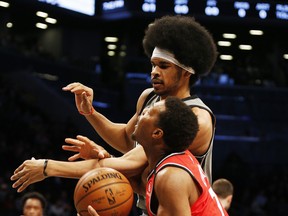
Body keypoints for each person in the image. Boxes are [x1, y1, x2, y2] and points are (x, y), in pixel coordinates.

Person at [11, 15, 217, 214]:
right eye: (153, 64)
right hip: (149, 204)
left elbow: (129, 163)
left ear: (186, 72)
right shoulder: (150, 98)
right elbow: (128, 139)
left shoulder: (195, 120)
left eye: (163, 66)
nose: (154, 72)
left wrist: (48, 167)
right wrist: (90, 113)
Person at [81, 97, 228, 215]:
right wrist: (106, 159)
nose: (143, 111)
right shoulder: (165, 165)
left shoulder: (171, 177)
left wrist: (57, 168)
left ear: (157, 133)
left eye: (149, 113)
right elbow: (139, 185)